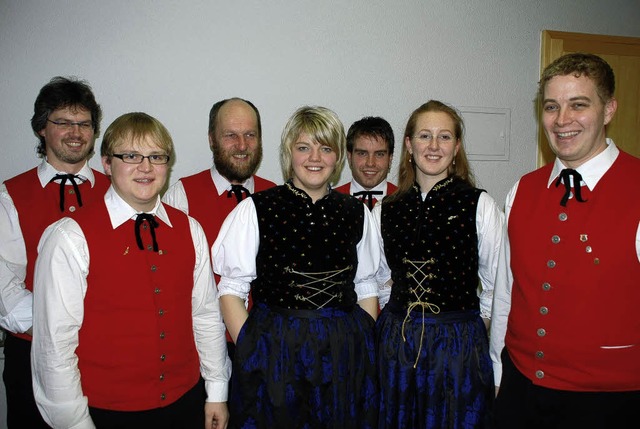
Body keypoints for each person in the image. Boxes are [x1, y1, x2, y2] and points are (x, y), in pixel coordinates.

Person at [31, 112, 231, 429]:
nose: (146, 167)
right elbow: (54, 348)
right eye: (131, 156)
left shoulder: (190, 229)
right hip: (105, 414)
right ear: (108, 163)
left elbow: (205, 314)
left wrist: (217, 391)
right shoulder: (69, 237)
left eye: (156, 156)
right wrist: (73, 423)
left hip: (187, 403)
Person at [490, 53, 640, 428]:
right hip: (520, 390)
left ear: (608, 110)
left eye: (579, 105)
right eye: (551, 107)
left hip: (611, 402)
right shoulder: (521, 189)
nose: (562, 120)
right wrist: (497, 373)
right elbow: (506, 293)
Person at [213, 106, 380, 428]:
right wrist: (254, 346)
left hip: (343, 351)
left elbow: (367, 286)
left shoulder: (357, 212)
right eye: (304, 147)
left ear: (337, 157)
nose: (314, 157)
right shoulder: (256, 209)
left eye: (326, 148)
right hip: (275, 350)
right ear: (289, 152)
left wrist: (358, 339)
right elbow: (231, 289)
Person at [373, 100, 503, 428]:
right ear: (408, 145)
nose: (433, 146)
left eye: (444, 137)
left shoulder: (480, 205)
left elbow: (498, 285)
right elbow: (380, 279)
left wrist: (474, 330)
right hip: (398, 343)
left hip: (459, 344)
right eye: (424, 136)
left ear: (457, 147)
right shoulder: (385, 208)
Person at [0, 76, 109, 428]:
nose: (75, 132)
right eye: (63, 122)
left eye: (84, 124)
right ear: (41, 129)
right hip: (32, 356)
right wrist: (59, 324)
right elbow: (6, 292)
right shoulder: (10, 195)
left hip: (104, 354)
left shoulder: (118, 190)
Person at [163, 97, 276, 359]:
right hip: (201, 348)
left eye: (250, 134)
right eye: (230, 135)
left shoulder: (276, 195)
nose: (242, 145)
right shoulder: (182, 196)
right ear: (212, 139)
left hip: (269, 346)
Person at [334, 116, 397, 210]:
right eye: (362, 154)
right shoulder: (331, 202)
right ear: (349, 157)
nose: (370, 163)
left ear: (390, 159)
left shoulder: (405, 201)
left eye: (379, 154)